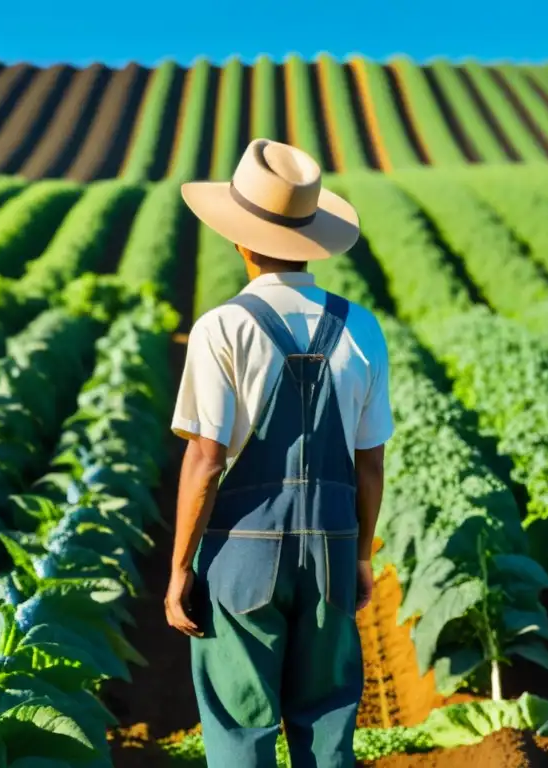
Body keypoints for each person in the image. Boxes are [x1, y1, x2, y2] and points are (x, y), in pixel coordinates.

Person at [164, 138, 394, 768]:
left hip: (240, 553)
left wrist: (181, 568)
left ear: (240, 239)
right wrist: (362, 557)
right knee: (326, 726)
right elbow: (369, 463)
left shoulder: (222, 327)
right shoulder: (362, 327)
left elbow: (207, 459)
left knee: (241, 728)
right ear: (310, 239)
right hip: (331, 548)